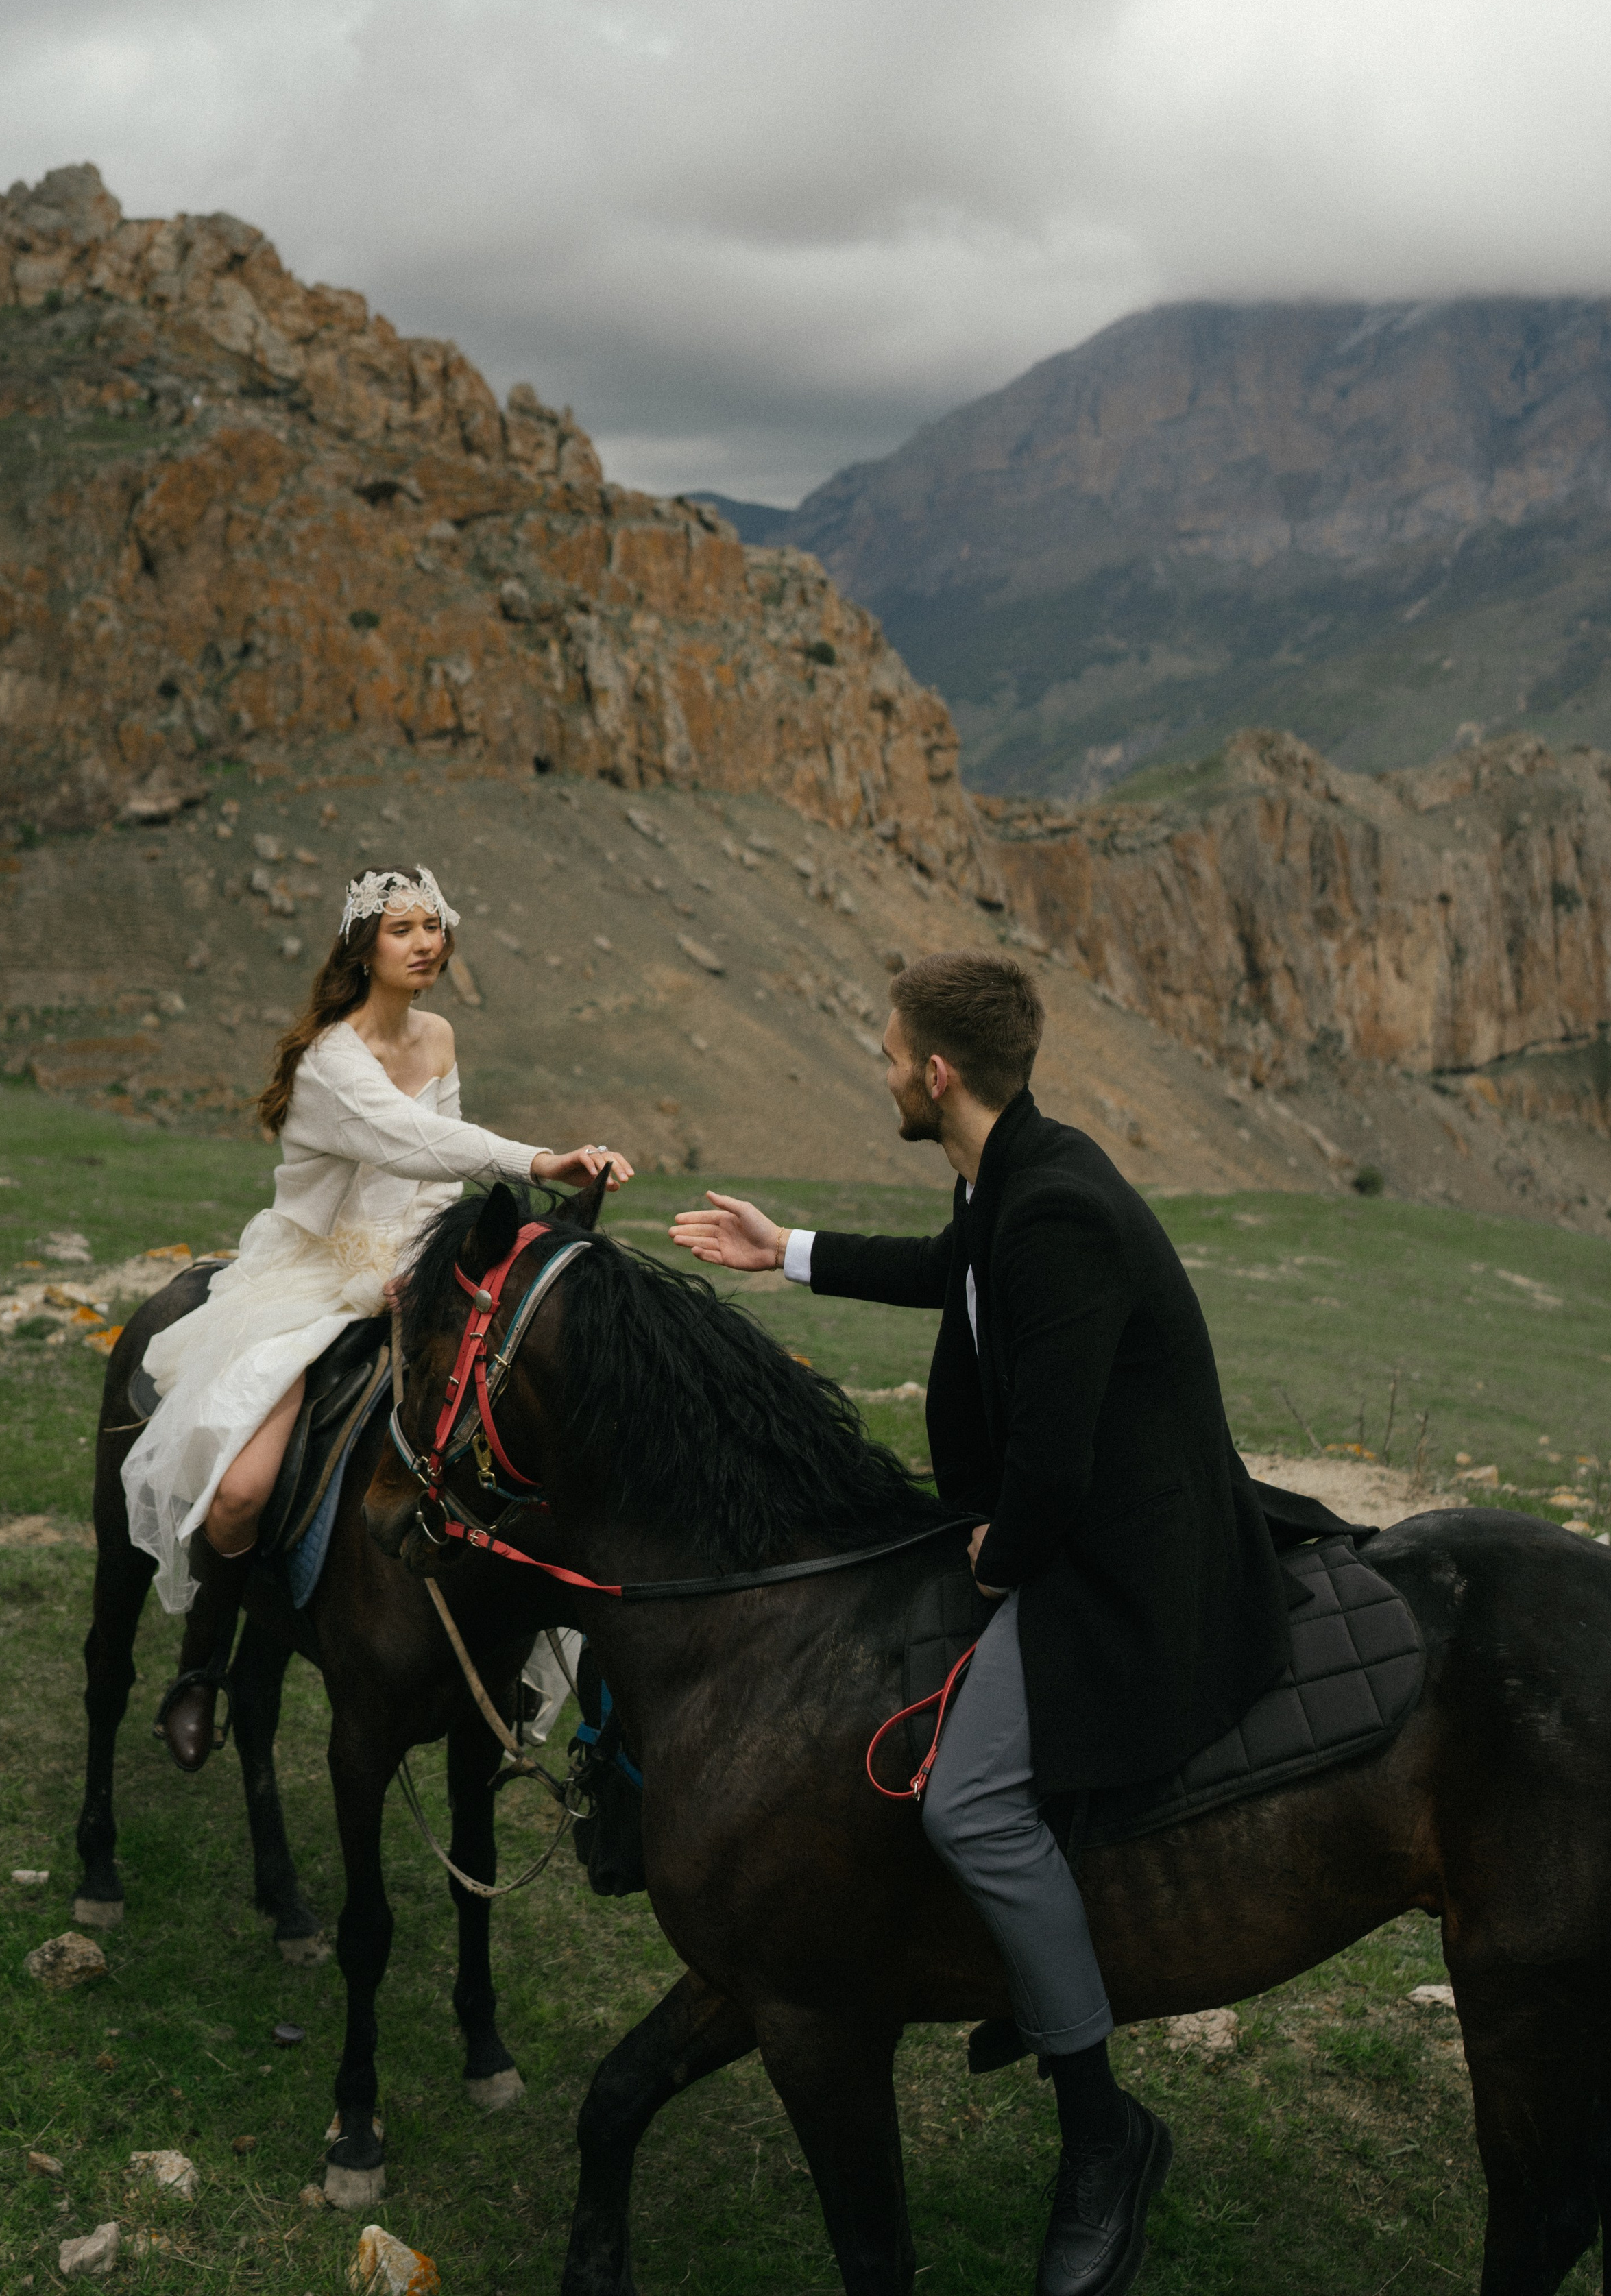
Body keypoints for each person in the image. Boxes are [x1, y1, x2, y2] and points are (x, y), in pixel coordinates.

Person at [670, 948, 1292, 2296]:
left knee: (966, 1806)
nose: (882, 1069)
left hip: (1131, 1565)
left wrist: (1000, 1561)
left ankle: (1101, 2131)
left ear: (935, 1074)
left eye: (890, 1053)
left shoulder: (1053, 1204)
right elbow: (954, 1271)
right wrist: (785, 1252)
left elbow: (1058, 1464)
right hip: (1078, 1526)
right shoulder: (1007, 1172)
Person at [125, 863, 633, 1772]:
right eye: (404, 928)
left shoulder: (437, 1033)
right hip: (318, 1273)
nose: (427, 941)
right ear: (365, 947)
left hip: (416, 1268)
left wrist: (438, 1262)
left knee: (515, 1421)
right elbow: (416, 1141)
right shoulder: (329, 1061)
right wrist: (542, 1159)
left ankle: (509, 1653)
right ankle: (201, 1668)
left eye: (434, 925)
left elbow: (435, 1177)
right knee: (241, 1486)